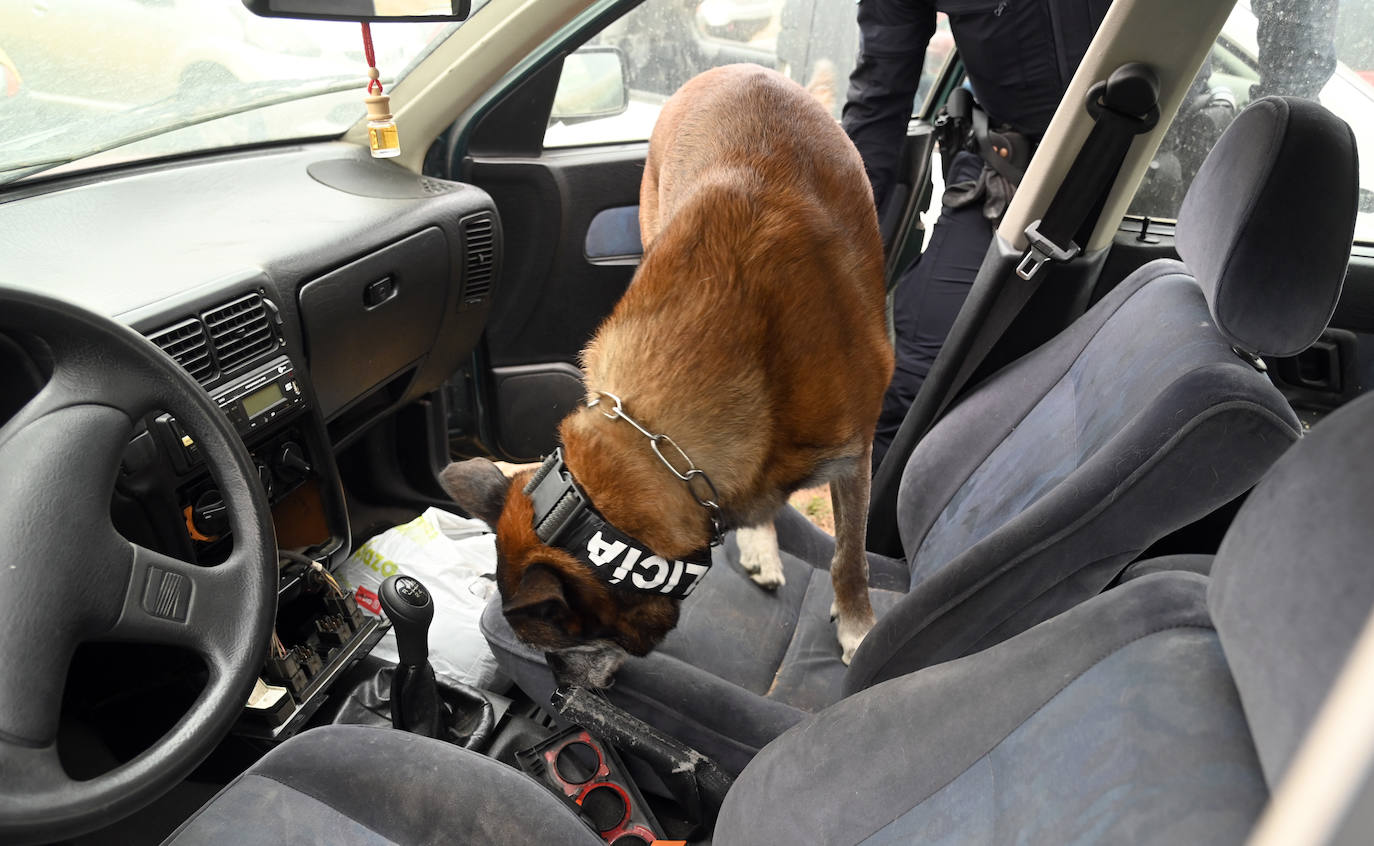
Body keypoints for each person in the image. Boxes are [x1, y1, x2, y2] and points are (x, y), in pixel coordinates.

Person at [846, 0, 1341, 470]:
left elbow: (1298, 13)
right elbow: (878, 100)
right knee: (913, 396)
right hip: (1008, 187)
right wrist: (837, 262)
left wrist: (1273, 147)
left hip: (1163, 174)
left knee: (1179, 397)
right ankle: (880, 553)